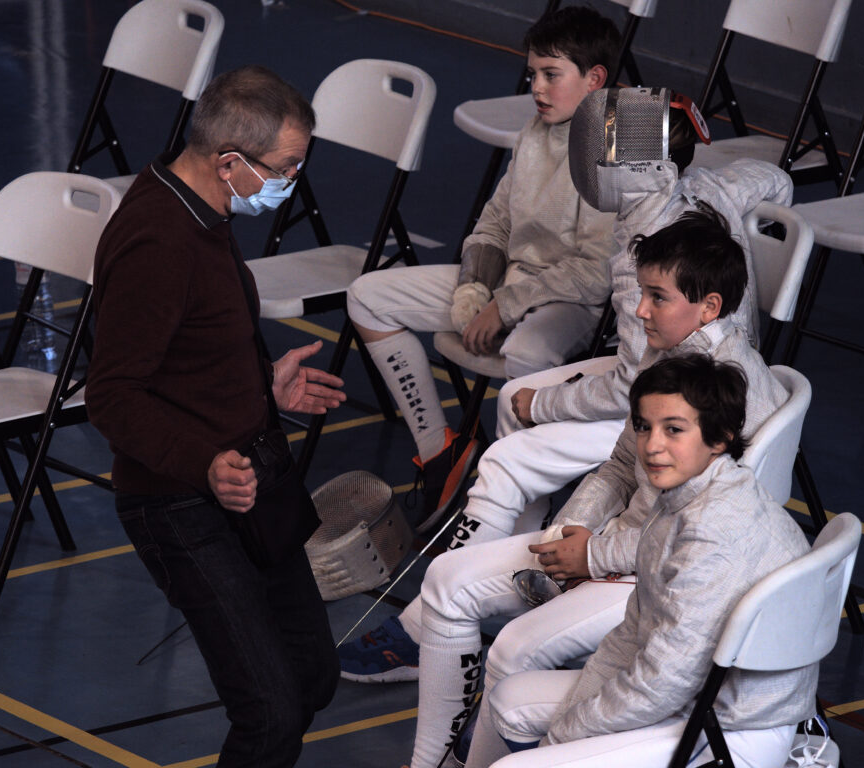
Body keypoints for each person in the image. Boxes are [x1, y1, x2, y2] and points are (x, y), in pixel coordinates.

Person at [338, 98, 793, 685]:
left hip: (683, 410)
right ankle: (532, 559)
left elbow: (633, 388)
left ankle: (440, 622)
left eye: (601, 155)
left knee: (508, 450)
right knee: (515, 401)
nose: (590, 165)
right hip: (705, 384)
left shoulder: (646, 255)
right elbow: (773, 177)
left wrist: (545, 407)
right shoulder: (705, 188)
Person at [402, 208, 790, 768]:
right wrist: (571, 531)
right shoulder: (668, 355)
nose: (639, 310)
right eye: (642, 293)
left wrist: (595, 556)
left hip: (653, 570)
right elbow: (618, 465)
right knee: (444, 582)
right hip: (614, 545)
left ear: (709, 307)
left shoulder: (728, 396)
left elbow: (701, 538)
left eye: (657, 297)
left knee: (511, 654)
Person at [86, 66, 344, 768]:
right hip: (179, 504)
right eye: (285, 168)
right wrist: (203, 463)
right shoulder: (157, 241)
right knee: (269, 714)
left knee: (311, 674)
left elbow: (192, 345)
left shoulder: (205, 210)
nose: (292, 181)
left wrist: (262, 386)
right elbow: (112, 394)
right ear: (230, 162)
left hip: (251, 481)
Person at [345, 6, 619, 531]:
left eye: (551, 75)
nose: (536, 88)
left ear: (595, 79)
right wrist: (473, 291)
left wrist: (504, 307)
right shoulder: (535, 129)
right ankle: (439, 450)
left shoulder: (616, 142)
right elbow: (494, 223)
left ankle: (523, 507)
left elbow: (597, 273)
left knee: (528, 351)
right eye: (532, 73)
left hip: (573, 301)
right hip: (510, 283)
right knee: (366, 296)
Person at [486, 354, 814, 768]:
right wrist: (572, 724)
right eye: (644, 426)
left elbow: (664, 682)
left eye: (673, 429)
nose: (652, 446)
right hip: (689, 695)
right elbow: (631, 635)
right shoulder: (682, 496)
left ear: (720, 437)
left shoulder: (712, 533)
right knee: (509, 702)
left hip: (731, 725)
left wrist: (563, 739)